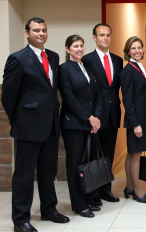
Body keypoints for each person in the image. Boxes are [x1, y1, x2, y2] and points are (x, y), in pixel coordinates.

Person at [2, 17, 70, 232]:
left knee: (48, 172)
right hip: (28, 127)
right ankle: (21, 219)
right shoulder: (18, 59)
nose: (41, 33)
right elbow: (8, 96)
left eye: (43, 30)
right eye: (36, 30)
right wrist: (19, 121)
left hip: (50, 125)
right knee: (23, 175)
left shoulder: (53, 56)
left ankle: (49, 209)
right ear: (27, 33)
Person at [59, 35, 102, 218]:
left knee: (87, 164)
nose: (79, 49)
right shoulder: (64, 69)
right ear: (68, 49)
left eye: (81, 46)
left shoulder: (87, 66)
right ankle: (79, 204)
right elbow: (69, 98)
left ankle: (88, 198)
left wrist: (96, 117)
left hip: (90, 123)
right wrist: (88, 118)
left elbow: (97, 93)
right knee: (75, 165)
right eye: (75, 46)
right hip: (74, 124)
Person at [82, 23, 123, 204]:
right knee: (92, 156)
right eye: (101, 35)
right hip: (95, 116)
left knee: (108, 155)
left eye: (107, 35)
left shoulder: (117, 60)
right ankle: (92, 193)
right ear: (94, 37)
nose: (105, 38)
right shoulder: (87, 60)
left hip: (113, 114)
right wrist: (91, 116)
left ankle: (106, 190)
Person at [120, 36, 146, 203]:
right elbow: (127, 100)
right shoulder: (128, 70)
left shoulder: (139, 66)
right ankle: (137, 190)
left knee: (132, 153)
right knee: (135, 155)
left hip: (142, 117)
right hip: (136, 120)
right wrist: (136, 124)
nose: (137, 50)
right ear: (128, 51)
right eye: (133, 48)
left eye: (139, 47)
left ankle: (129, 186)